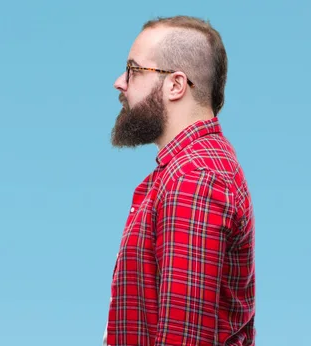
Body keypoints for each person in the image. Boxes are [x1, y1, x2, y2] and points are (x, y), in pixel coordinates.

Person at [104, 16, 255, 345]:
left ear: (175, 85)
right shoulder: (181, 172)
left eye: (133, 70)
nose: (120, 82)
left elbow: (185, 339)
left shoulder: (194, 178)